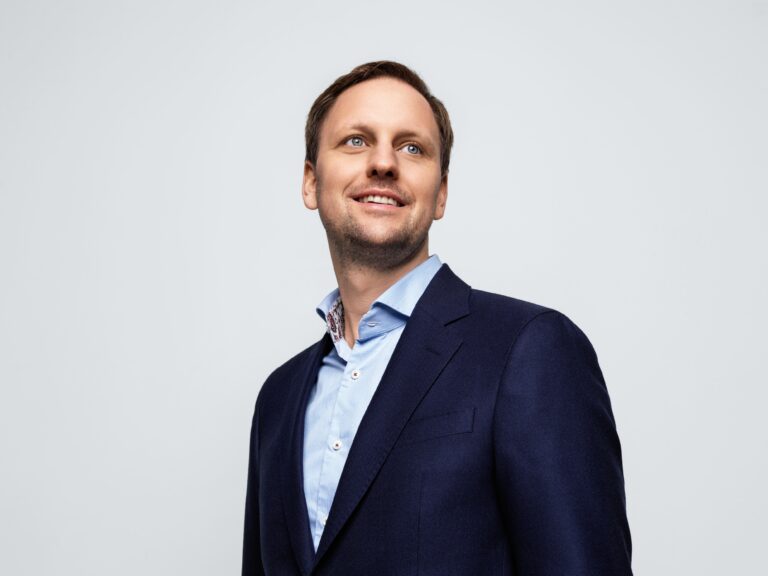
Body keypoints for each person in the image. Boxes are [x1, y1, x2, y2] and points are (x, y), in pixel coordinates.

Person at [242, 61, 632, 576]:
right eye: (356, 141)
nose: (384, 163)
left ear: (441, 193)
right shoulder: (278, 399)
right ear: (311, 182)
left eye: (412, 148)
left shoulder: (529, 350)